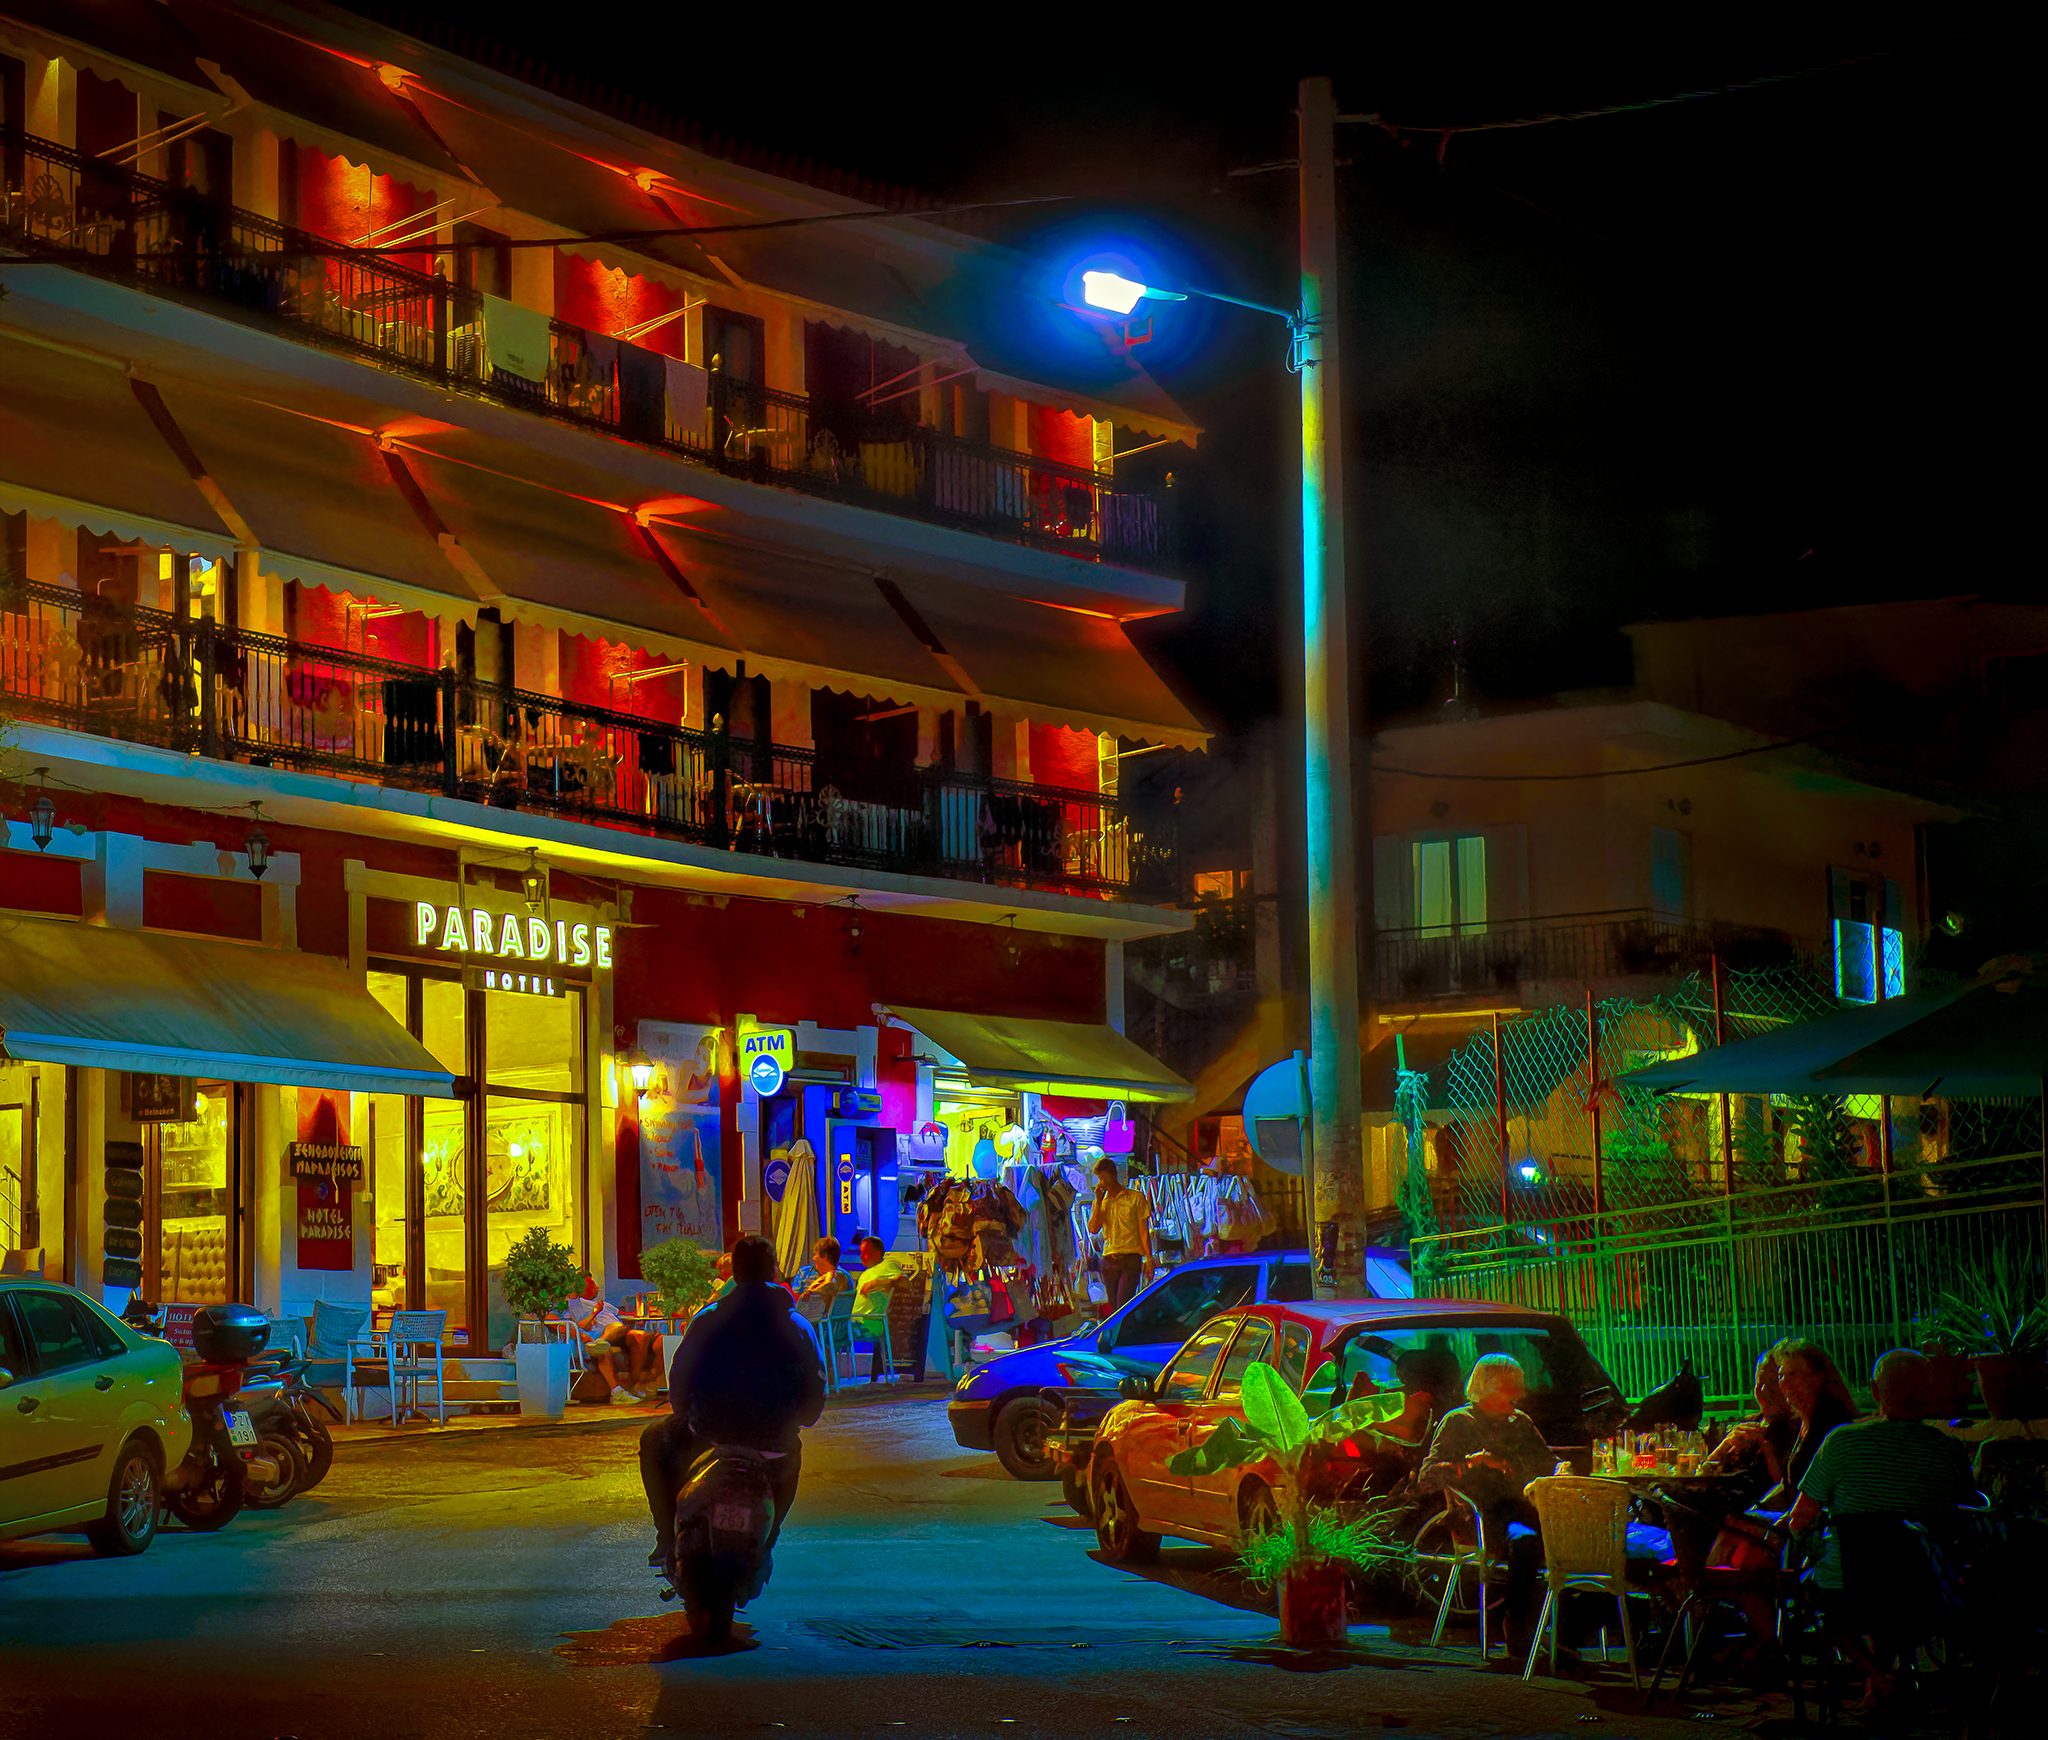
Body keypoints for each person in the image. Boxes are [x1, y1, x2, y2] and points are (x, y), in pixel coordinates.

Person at [1786, 1350, 1980, 1704]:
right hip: (1925, 1587)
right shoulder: (1948, 1450)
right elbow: (1965, 1513)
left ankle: (1878, 1675)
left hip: (1851, 1585)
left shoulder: (1842, 1441)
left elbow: (1800, 1517)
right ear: (1930, 1392)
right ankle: (1884, 1680)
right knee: (1888, 1580)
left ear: (1875, 1391)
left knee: (1821, 1590)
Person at [638, 1235, 826, 1572]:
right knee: (791, 1463)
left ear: (734, 1273)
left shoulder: (708, 1318)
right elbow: (815, 1391)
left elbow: (679, 1380)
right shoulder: (798, 1325)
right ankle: (768, 1540)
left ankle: (667, 1537)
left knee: (653, 1440)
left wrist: (688, 1415)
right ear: (773, 1271)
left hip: (709, 1436)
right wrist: (796, 1420)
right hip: (775, 1443)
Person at [1420, 1353, 1560, 1653]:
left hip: (1523, 1508)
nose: (1520, 1394)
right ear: (1490, 1386)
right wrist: (1471, 1463)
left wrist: (1562, 1469)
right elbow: (1428, 1476)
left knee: (1580, 1540)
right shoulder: (1459, 1422)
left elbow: (1547, 1461)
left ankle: (1566, 1634)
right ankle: (1518, 1628)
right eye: (1513, 1386)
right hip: (1483, 1515)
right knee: (1526, 1543)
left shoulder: (1520, 1423)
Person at [1771, 1338, 1858, 1500]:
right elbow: (1787, 1483)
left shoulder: (1831, 1422)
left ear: (1817, 1377)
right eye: (1781, 1375)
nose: (1785, 1383)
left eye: (1793, 1374)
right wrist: (1757, 1508)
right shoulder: (1800, 1422)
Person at [557, 1281, 658, 1403]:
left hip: (616, 1335)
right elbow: (582, 1326)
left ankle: (634, 1384)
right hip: (601, 1335)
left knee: (641, 1336)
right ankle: (617, 1392)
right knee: (611, 1338)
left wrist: (642, 1313)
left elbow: (626, 1314)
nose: (597, 1287)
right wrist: (595, 1313)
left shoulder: (603, 1304)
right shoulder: (573, 1305)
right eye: (592, 1284)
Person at [1089, 1158, 1153, 1313]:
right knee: (1114, 1308)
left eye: (1104, 1177)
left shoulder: (1135, 1198)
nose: (1102, 1181)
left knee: (1123, 1304)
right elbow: (1093, 1228)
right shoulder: (1102, 1202)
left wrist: (1149, 1259)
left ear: (1113, 1174)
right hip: (1109, 1258)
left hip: (1130, 1258)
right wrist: (1098, 1201)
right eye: (1099, 1178)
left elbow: (1143, 1231)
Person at [851, 1235, 916, 1381]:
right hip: (857, 1322)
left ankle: (823, 1379)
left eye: (865, 1252)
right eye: (860, 1252)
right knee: (825, 1329)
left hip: (867, 1324)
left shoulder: (887, 1265)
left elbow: (905, 1283)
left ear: (877, 1252)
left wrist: (877, 1283)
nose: (861, 1256)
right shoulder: (866, 1273)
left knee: (824, 1331)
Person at [794, 1236, 851, 1324]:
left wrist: (811, 1292)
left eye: (815, 1254)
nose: (813, 1258)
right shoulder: (847, 1278)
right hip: (838, 1330)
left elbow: (797, 1303)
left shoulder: (834, 1280)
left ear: (825, 1256)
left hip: (816, 1327)